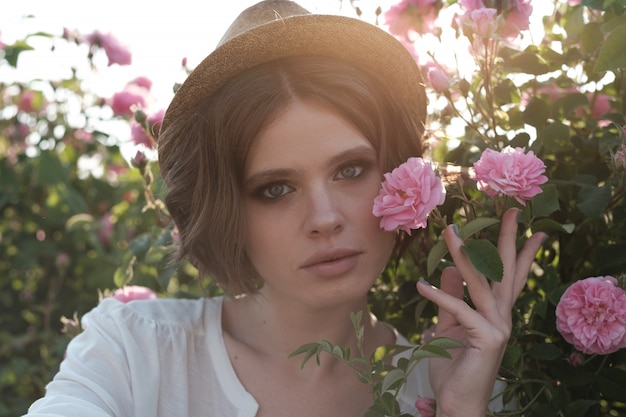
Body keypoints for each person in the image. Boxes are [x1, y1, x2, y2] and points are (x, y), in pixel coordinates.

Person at [25, 1, 546, 416]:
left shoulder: (457, 382)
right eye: (275, 188)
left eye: (350, 170)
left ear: (398, 175)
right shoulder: (133, 354)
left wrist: (459, 411)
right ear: (228, 210)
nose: (324, 217)